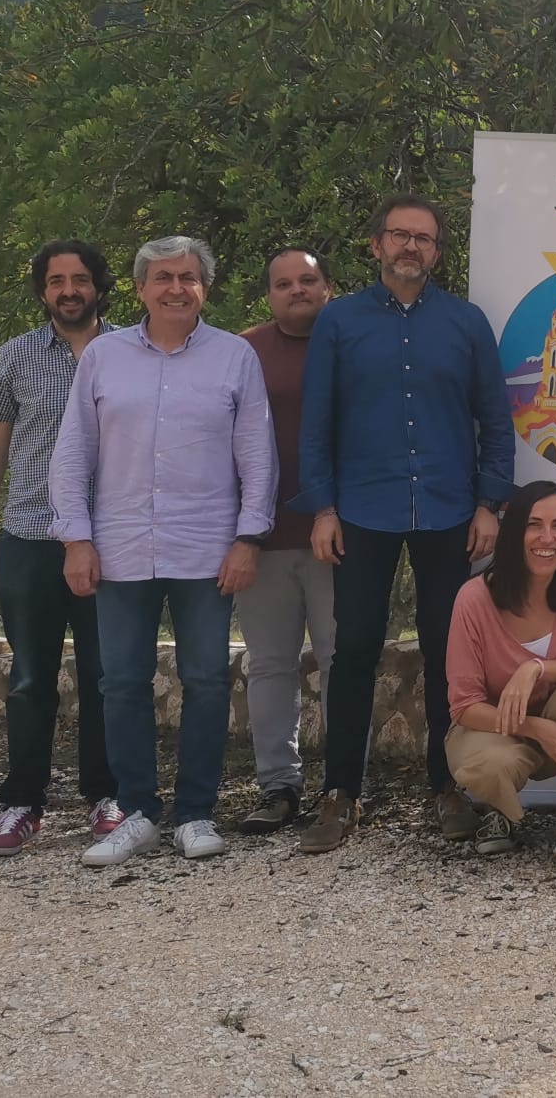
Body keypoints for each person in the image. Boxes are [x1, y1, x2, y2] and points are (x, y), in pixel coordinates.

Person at [296, 193, 515, 854]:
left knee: (452, 654)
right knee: (354, 649)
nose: (410, 247)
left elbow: (496, 422)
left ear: (438, 252)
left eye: (423, 239)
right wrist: (324, 508)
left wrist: (490, 504)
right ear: (377, 245)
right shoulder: (339, 322)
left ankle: (445, 787)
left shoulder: (467, 323)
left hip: (451, 510)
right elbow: (316, 425)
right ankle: (342, 794)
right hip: (362, 509)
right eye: (399, 235)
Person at [50, 236, 276, 867]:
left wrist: (248, 538)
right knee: (121, 683)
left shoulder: (235, 357)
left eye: (189, 277)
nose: (177, 287)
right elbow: (73, 453)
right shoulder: (104, 356)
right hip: (120, 548)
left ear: (205, 287)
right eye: (163, 278)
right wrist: (76, 538)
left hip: (209, 551)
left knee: (205, 680)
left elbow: (257, 457)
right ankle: (138, 814)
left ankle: (196, 814)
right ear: (142, 289)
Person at [0, 240, 121, 856]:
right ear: (42, 292)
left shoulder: (130, 351)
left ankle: (106, 795)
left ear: (99, 288)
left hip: (112, 539)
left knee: (105, 675)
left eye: (80, 279)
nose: (68, 290)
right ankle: (21, 804)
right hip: (30, 536)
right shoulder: (17, 355)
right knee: (31, 677)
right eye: (57, 280)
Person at [443, 482, 556, 873]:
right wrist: (537, 728)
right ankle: (499, 811)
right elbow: (465, 705)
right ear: (514, 532)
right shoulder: (474, 598)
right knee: (488, 762)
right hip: (492, 731)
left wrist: (534, 667)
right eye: (534, 525)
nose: (547, 538)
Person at [235, 248, 338, 833]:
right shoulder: (242, 350)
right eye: (283, 283)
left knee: (340, 663)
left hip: (341, 535)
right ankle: (278, 785)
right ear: (269, 295)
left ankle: (344, 785)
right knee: (270, 665)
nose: (296, 290)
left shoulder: (352, 340)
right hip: (264, 534)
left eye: (308, 279)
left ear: (328, 287)